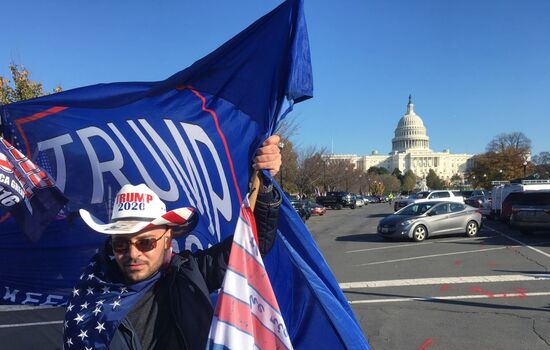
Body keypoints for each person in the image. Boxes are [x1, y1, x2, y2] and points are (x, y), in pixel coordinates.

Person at [63, 135, 282, 350]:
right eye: (120, 244)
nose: (133, 253)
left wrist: (262, 180)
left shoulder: (191, 272)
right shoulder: (93, 296)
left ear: (167, 239)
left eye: (145, 242)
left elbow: (252, 244)